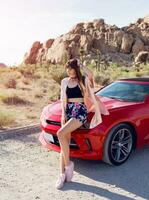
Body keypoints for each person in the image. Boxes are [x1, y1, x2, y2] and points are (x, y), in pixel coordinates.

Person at [55, 58, 109, 189]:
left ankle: (68, 165)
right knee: (64, 145)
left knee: (60, 133)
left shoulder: (83, 80)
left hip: (79, 111)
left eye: (71, 68)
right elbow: (63, 99)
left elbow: (91, 75)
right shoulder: (64, 81)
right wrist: (63, 114)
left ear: (76, 69)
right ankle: (61, 175)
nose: (69, 71)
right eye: (67, 68)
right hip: (68, 111)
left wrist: (82, 64)